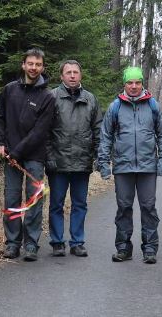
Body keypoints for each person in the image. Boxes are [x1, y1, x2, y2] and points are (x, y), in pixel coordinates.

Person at [98, 66, 162, 264]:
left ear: (142, 84)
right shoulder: (115, 107)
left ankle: (150, 249)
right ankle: (123, 248)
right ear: (124, 84)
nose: (134, 86)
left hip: (148, 167)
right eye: (130, 82)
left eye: (137, 82)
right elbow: (105, 137)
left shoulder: (153, 106)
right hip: (123, 167)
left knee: (148, 207)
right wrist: (104, 164)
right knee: (123, 207)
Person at [0, 48, 55, 261]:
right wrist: (0, 143)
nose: (34, 68)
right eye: (30, 63)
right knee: (11, 199)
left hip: (34, 157)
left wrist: (16, 152)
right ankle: (12, 243)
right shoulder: (9, 90)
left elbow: (40, 132)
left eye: (38, 65)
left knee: (33, 200)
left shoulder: (47, 96)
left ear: (42, 68)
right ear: (23, 65)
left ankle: (31, 244)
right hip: (10, 156)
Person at [45, 60, 102, 257]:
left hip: (82, 162)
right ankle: (57, 242)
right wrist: (49, 157)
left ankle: (77, 242)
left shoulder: (91, 99)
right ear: (61, 76)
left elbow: (97, 130)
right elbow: (44, 132)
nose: (72, 75)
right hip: (58, 163)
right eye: (68, 72)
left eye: (75, 72)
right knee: (56, 204)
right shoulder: (51, 97)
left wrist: (97, 157)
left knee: (80, 204)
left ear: (80, 75)